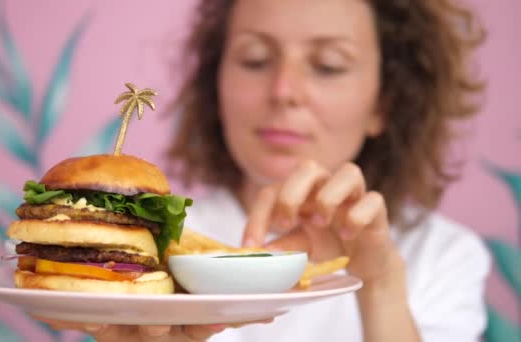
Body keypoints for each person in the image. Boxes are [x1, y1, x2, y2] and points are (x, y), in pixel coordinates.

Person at [39, 0, 491, 340]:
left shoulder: (446, 256)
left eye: (328, 66)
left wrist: (380, 284)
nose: (283, 91)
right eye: (255, 59)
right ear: (215, 83)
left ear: (384, 103)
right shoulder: (147, 245)